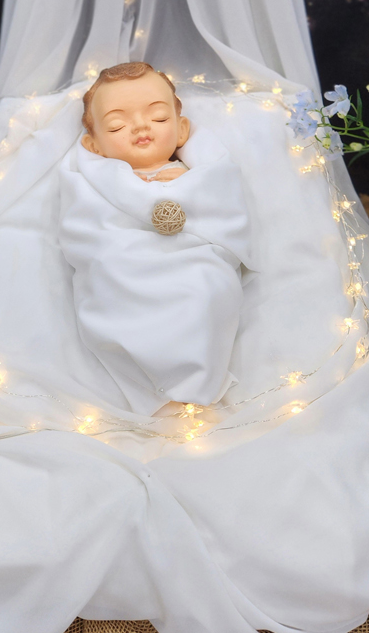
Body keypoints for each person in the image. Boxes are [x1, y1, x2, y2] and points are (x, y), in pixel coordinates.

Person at [58, 61, 253, 418]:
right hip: (126, 262)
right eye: (116, 125)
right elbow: (84, 232)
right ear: (93, 144)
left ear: (181, 131)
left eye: (159, 118)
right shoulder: (95, 183)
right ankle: (150, 382)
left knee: (207, 286)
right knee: (109, 271)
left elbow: (224, 213)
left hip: (193, 258)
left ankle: (196, 380)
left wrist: (183, 191)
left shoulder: (200, 173)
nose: (140, 126)